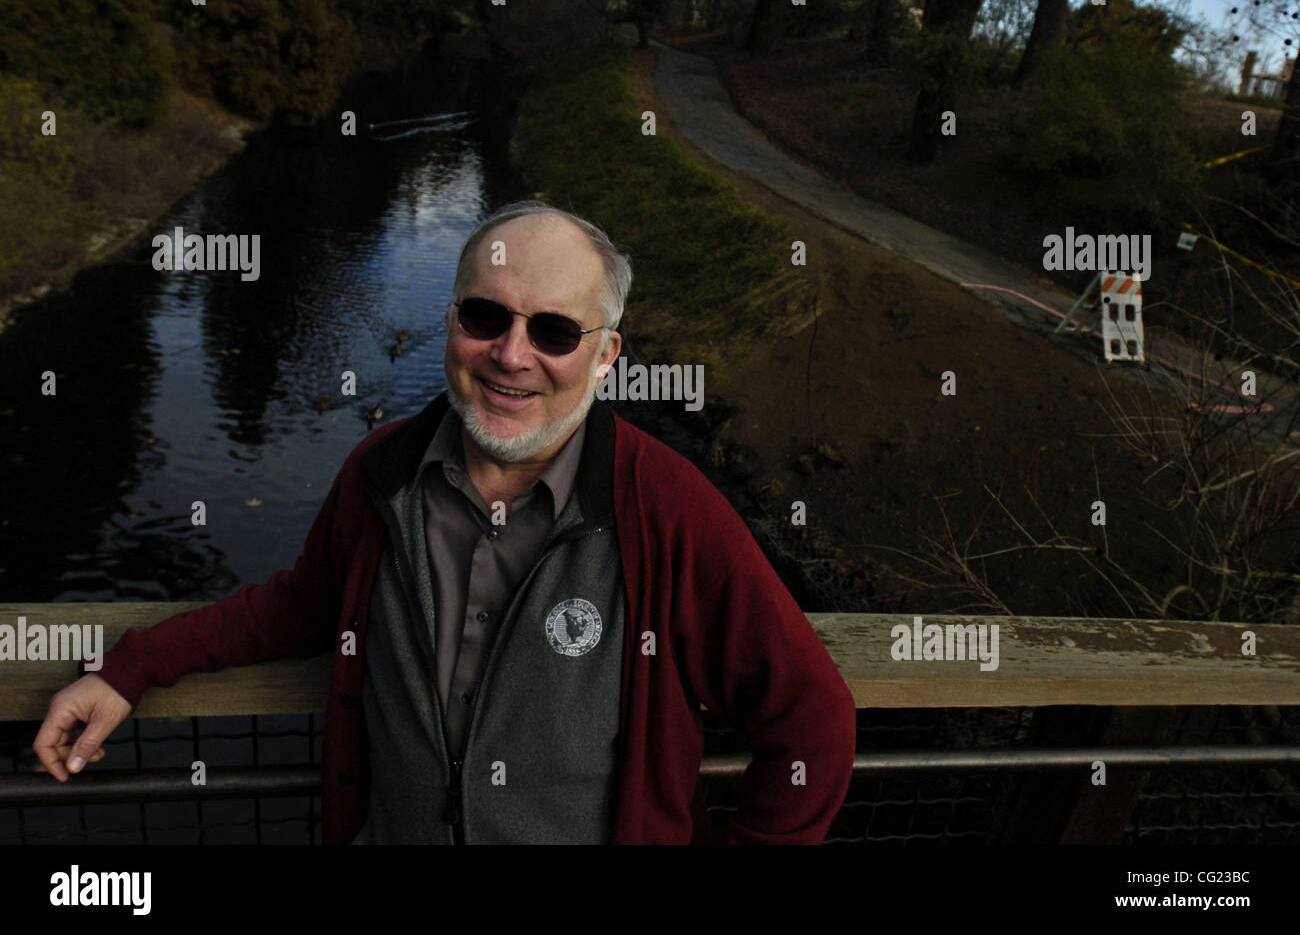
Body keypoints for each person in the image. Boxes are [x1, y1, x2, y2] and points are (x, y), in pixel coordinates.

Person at [33, 200, 857, 844]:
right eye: (485, 316)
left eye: (556, 331)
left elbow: (812, 719)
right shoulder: (381, 474)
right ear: (452, 320)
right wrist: (127, 667)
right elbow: (299, 609)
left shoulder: (667, 512)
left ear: (606, 358)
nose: (510, 354)